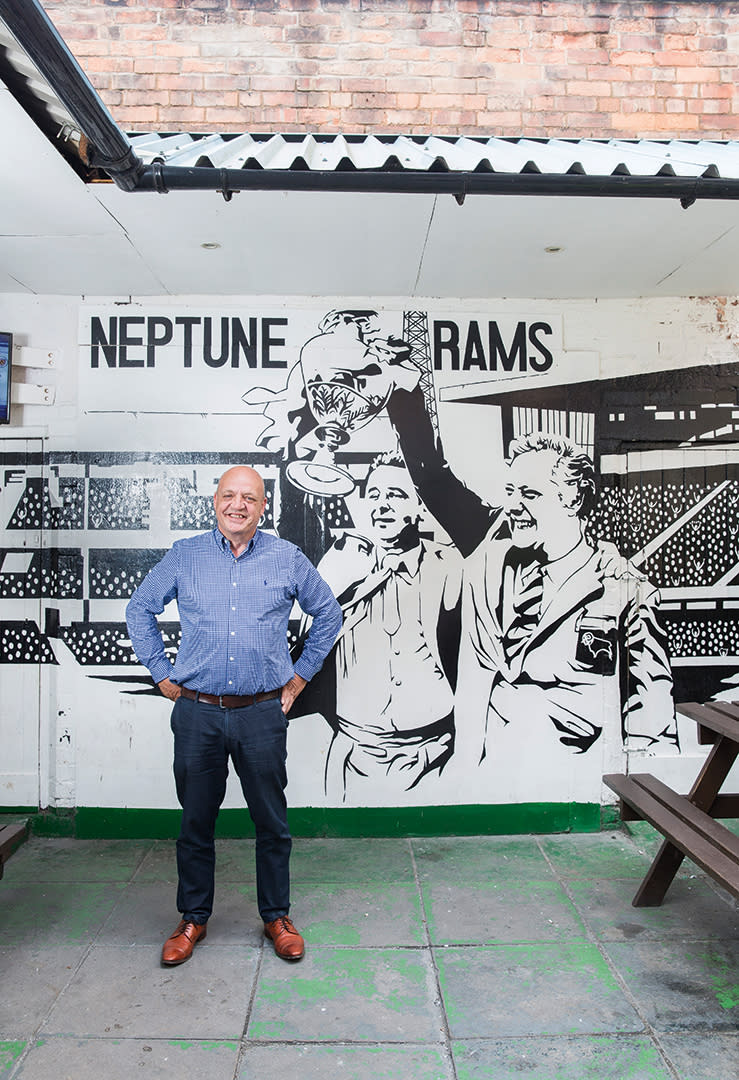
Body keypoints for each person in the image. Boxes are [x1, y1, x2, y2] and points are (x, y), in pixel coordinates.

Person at [385, 377, 678, 767]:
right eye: (510, 491)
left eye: (530, 494)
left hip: (573, 782)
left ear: (572, 499)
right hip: (494, 778)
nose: (513, 506)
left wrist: (647, 792)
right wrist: (401, 393)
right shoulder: (494, 550)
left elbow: (651, 711)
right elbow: (434, 479)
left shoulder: (624, 590)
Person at [126, 465, 341, 966]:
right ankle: (192, 918)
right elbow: (140, 609)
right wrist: (161, 673)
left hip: (262, 714)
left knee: (272, 822)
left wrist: (300, 678)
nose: (238, 504)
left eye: (249, 497)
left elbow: (328, 613)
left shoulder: (286, 558)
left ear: (265, 506)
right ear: (215, 501)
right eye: (229, 495)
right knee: (195, 822)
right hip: (197, 714)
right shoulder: (186, 556)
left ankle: (276, 917)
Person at [303, 453, 462, 799]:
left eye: (395, 494)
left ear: (419, 507)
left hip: (435, 752)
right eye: (373, 495)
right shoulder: (343, 565)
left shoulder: (449, 566)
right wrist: (341, 579)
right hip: (354, 756)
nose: (381, 505)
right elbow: (305, 636)